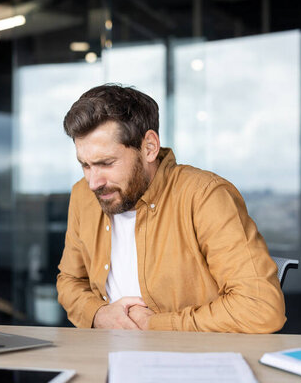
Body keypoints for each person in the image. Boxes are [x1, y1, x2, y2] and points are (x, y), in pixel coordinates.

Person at [56, 84, 286, 333]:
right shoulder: (83, 195)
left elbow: (260, 307)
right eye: (85, 165)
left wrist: (154, 324)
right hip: (105, 356)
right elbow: (70, 282)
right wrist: (99, 313)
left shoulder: (204, 196)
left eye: (106, 163)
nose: (93, 182)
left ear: (149, 148)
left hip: (191, 361)